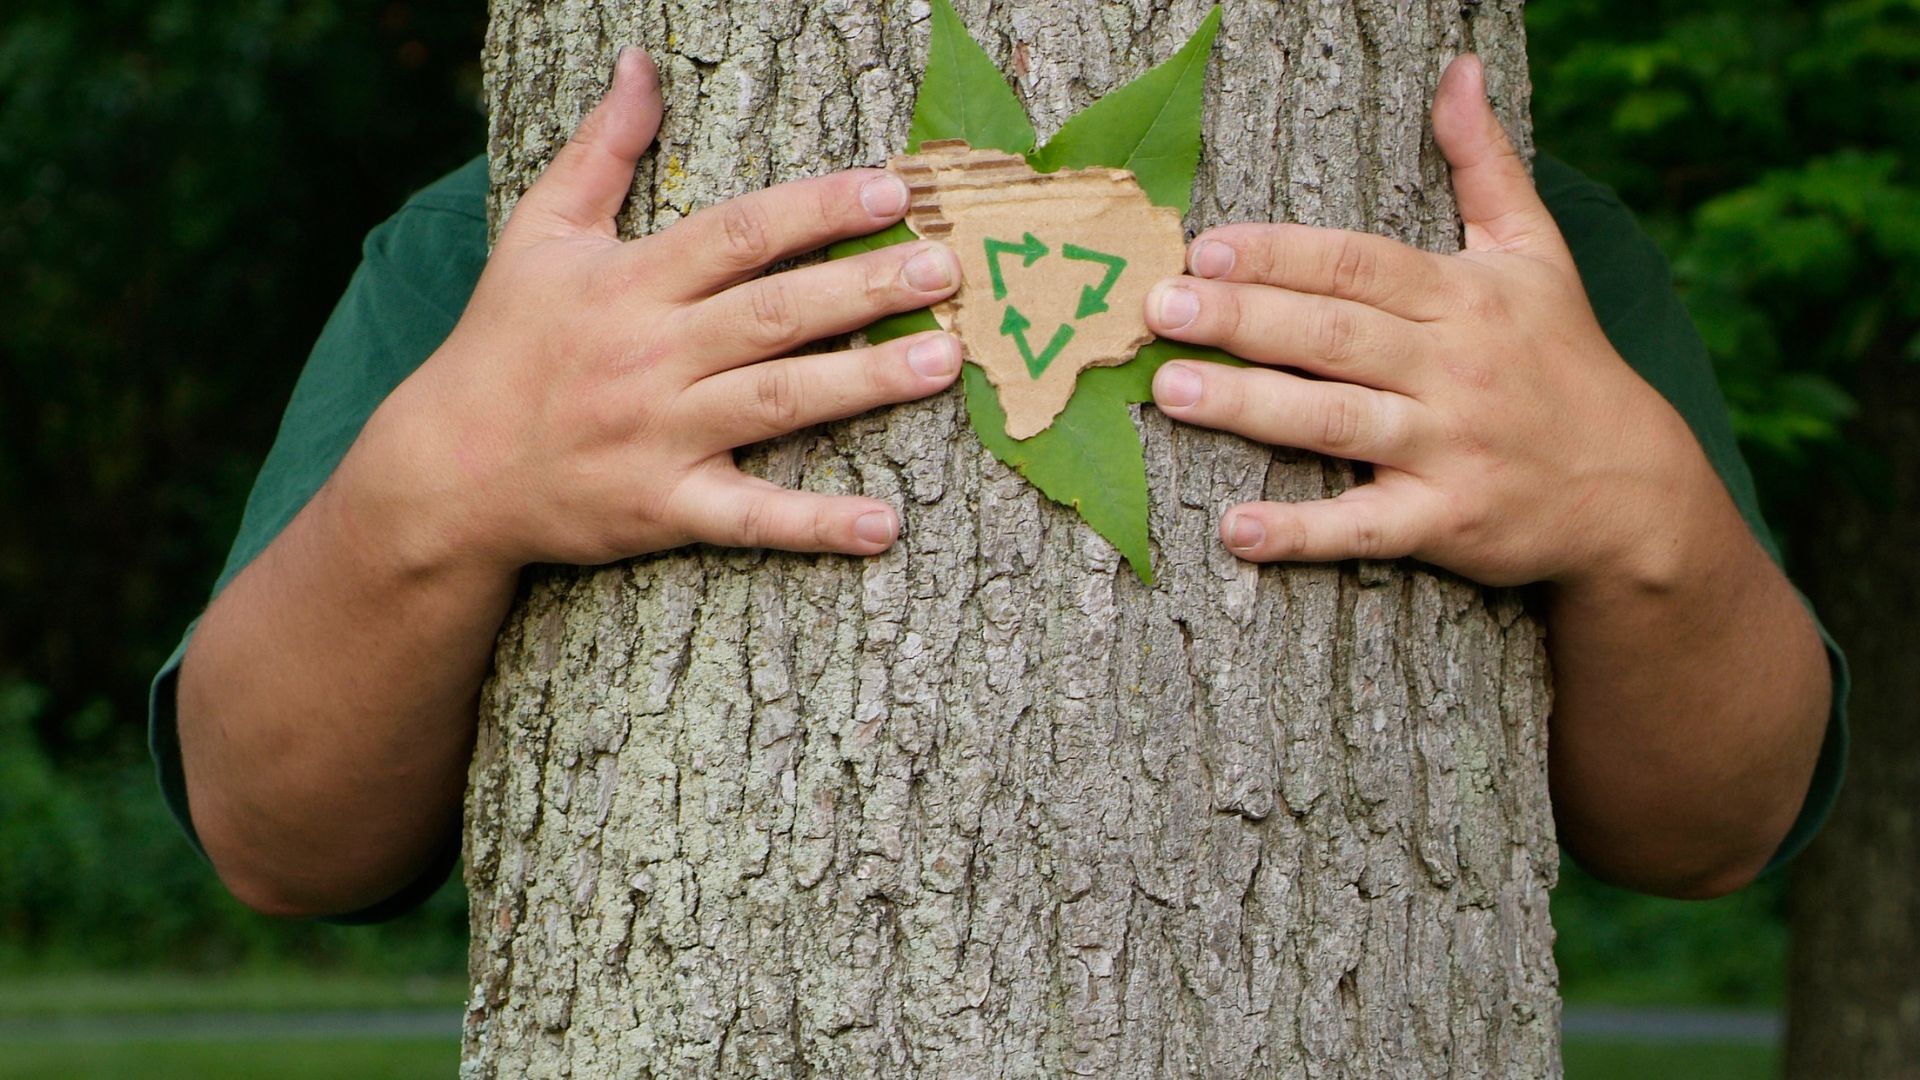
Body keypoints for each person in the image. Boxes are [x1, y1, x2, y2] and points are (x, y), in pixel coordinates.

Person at [151, 49, 1844, 921]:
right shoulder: (510, 248)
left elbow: (1715, 828)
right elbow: (273, 838)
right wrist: (432, 490)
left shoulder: (1514, 255)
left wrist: (1646, 518)